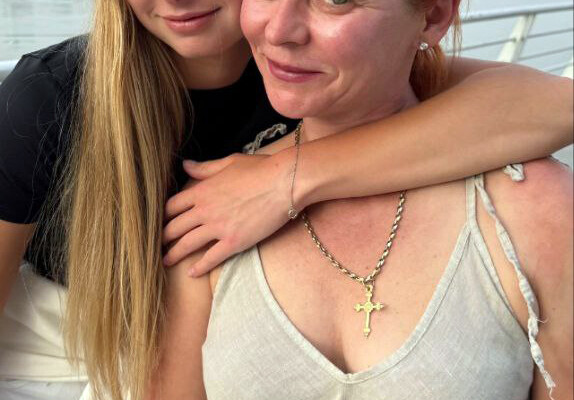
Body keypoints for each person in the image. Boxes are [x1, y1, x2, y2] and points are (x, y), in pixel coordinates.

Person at [0, 0, 571, 399]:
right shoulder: (50, 98)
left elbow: (554, 106)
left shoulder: (295, 69)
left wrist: (286, 179)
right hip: (55, 364)